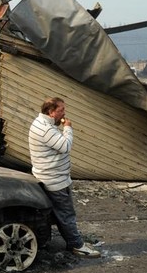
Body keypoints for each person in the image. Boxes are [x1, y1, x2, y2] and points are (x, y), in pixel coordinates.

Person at [28, 97, 101, 257]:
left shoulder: (41, 123)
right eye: (61, 110)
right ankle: (77, 246)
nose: (64, 112)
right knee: (66, 214)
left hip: (49, 176)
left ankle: (70, 241)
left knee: (59, 214)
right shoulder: (46, 130)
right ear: (51, 111)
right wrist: (67, 128)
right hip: (55, 181)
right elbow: (65, 146)